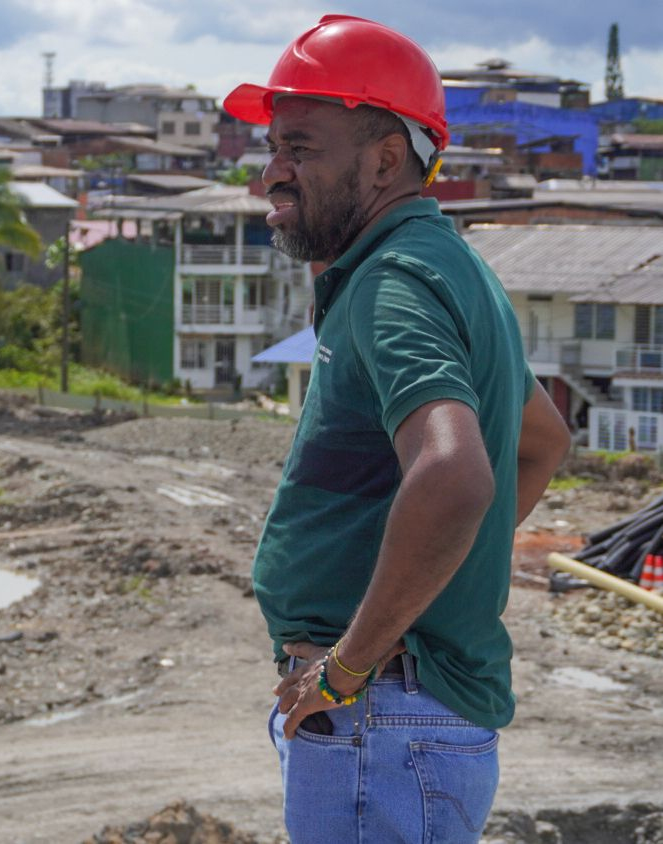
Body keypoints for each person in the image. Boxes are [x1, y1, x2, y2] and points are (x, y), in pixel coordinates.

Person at [224, 15, 571, 843]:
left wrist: (346, 667)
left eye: (299, 148)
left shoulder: (393, 284)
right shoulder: (443, 265)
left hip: (381, 717)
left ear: (385, 157)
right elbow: (540, 441)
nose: (270, 174)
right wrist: (438, 571)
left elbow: (455, 477)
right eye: (271, 148)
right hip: (400, 719)